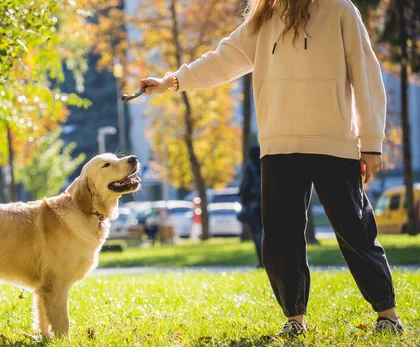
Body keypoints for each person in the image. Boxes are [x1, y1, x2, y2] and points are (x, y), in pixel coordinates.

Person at [140, 0, 403, 336]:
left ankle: (388, 315)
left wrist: (371, 142)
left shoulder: (340, 9)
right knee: (280, 237)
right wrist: (173, 81)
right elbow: (223, 59)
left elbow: (364, 72)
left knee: (355, 230)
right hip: (279, 145)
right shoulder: (263, 17)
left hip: (334, 142)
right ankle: (295, 321)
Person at [238, 145, 263, 268]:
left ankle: (261, 260)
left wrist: (244, 199)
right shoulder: (266, 165)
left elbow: (245, 186)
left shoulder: (250, 167)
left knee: (257, 233)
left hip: (254, 205)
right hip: (268, 203)